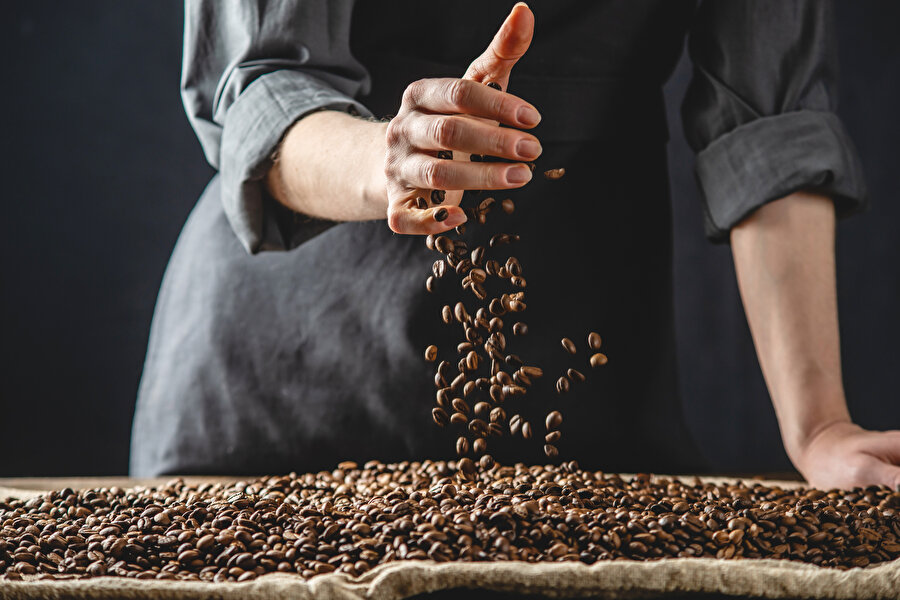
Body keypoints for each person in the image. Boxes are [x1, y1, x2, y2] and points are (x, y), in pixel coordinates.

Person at [130, 1, 900, 490]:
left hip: (577, 363)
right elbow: (262, 85)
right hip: (282, 373)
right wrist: (393, 159)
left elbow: (769, 126)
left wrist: (819, 426)